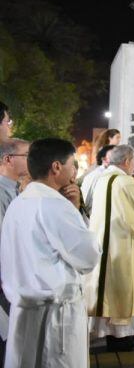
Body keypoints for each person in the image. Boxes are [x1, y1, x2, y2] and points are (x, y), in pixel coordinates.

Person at [1, 138, 101, 367]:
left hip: (23, 310)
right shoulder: (55, 206)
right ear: (57, 167)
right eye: (71, 164)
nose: (74, 170)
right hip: (55, 316)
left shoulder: (20, 202)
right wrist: (75, 211)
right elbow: (88, 257)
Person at [85, 145, 134, 352]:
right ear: (126, 161)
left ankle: (115, 336)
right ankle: (121, 338)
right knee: (125, 290)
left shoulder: (102, 179)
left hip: (105, 244)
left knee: (109, 291)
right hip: (126, 247)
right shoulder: (126, 182)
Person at [0, 138, 29, 360]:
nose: (31, 160)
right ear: (8, 159)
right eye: (26, 155)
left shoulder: (16, 189)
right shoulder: (2, 193)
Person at [81, 144, 117, 214]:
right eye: (114, 156)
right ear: (104, 159)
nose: (118, 159)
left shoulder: (115, 175)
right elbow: (84, 202)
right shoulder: (95, 176)